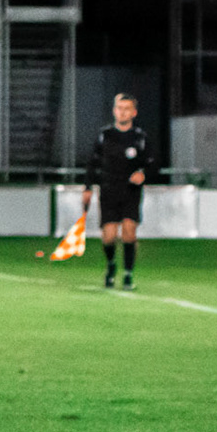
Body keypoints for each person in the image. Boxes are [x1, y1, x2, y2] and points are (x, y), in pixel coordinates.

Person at [81, 93, 158, 289]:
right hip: (108, 190)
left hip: (130, 192)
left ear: (133, 112)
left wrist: (143, 174)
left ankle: (128, 274)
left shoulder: (140, 137)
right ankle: (111, 265)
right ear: (114, 110)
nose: (122, 112)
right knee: (108, 236)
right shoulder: (105, 135)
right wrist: (88, 187)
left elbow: (152, 163)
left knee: (129, 234)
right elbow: (92, 162)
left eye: (126, 109)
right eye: (119, 108)